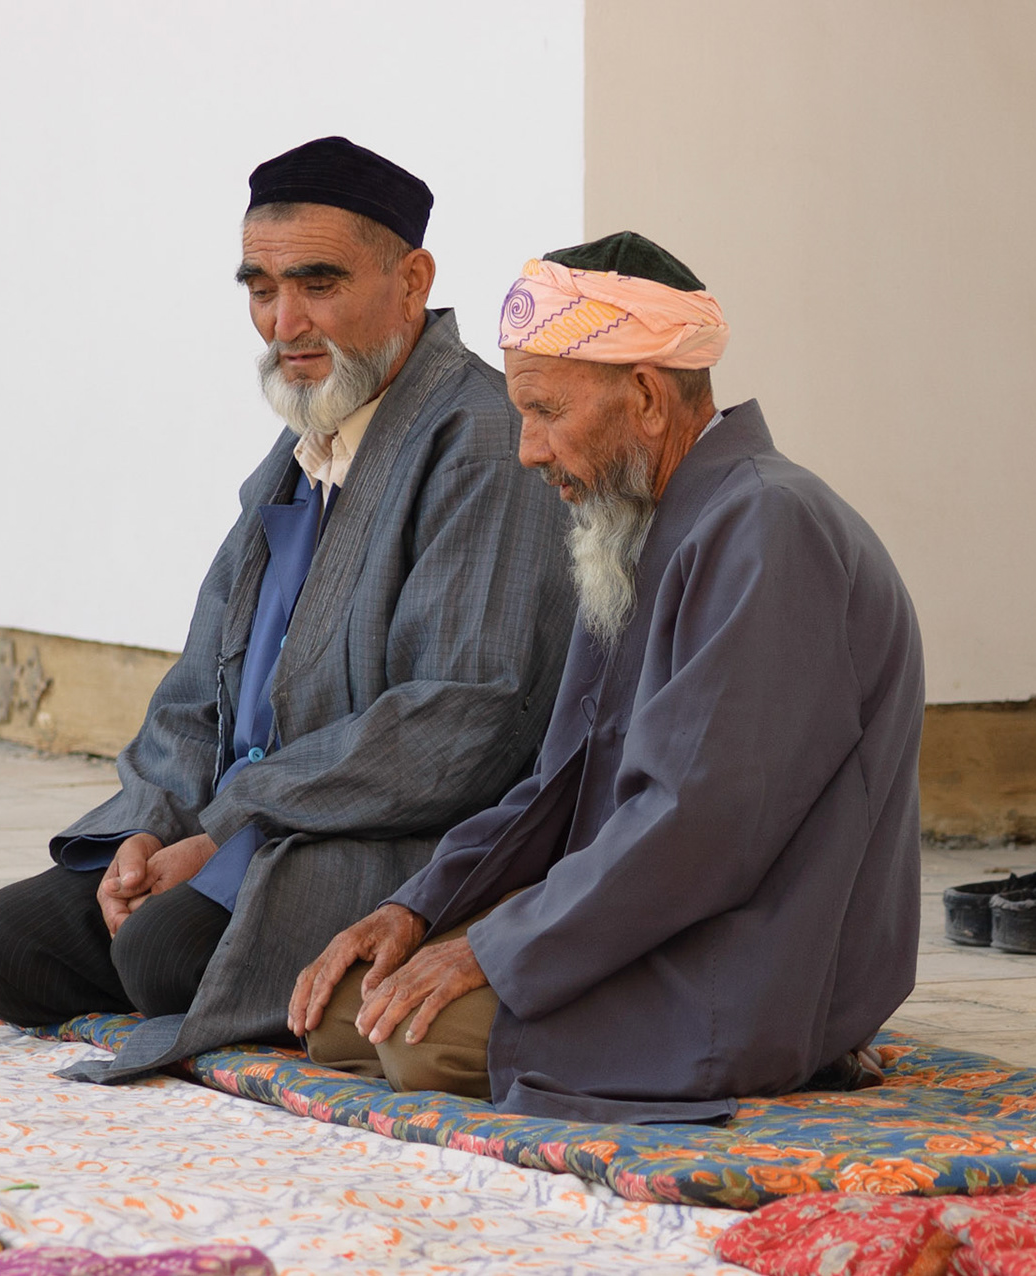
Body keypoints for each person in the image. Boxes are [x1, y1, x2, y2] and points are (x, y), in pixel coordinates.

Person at [0, 137, 575, 1084]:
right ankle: (179, 908)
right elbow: (197, 689)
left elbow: (464, 716)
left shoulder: (483, 440)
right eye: (261, 287)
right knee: (3, 947)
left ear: (413, 280)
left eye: (319, 283)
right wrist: (150, 830)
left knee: (163, 959)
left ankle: (213, 936)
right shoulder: (301, 451)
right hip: (235, 826)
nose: (285, 322)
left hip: (378, 834)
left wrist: (234, 822)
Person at [290, 231, 925, 1123]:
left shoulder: (768, 526)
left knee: (414, 1039)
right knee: (349, 1011)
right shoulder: (633, 529)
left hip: (743, 957)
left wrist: (494, 950)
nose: (528, 451)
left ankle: (785, 1053)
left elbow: (697, 825)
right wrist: (418, 911)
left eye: (546, 411)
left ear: (646, 399)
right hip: (646, 915)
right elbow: (562, 786)